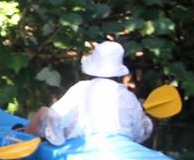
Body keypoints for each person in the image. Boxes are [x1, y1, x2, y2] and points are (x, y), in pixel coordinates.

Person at [23, 41, 153, 146]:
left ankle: (23, 135)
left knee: (44, 111)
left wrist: (56, 140)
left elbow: (55, 116)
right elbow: (141, 132)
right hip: (121, 146)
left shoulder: (81, 89)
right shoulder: (128, 96)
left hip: (86, 146)